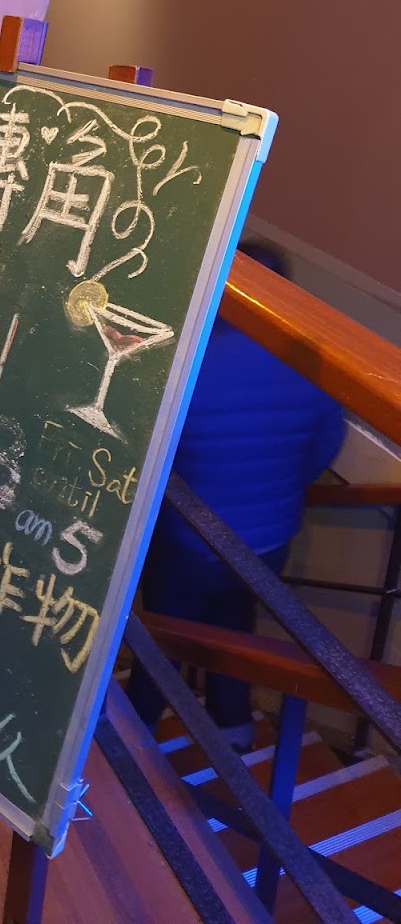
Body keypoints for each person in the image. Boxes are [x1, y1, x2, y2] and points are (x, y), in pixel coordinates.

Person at [126, 239, 346, 750]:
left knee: (165, 638)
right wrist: (281, 490)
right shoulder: (311, 362)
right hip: (268, 541)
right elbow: (325, 444)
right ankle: (233, 729)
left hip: (187, 538)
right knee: (234, 631)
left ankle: (137, 737)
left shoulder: (186, 358)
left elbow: (152, 449)